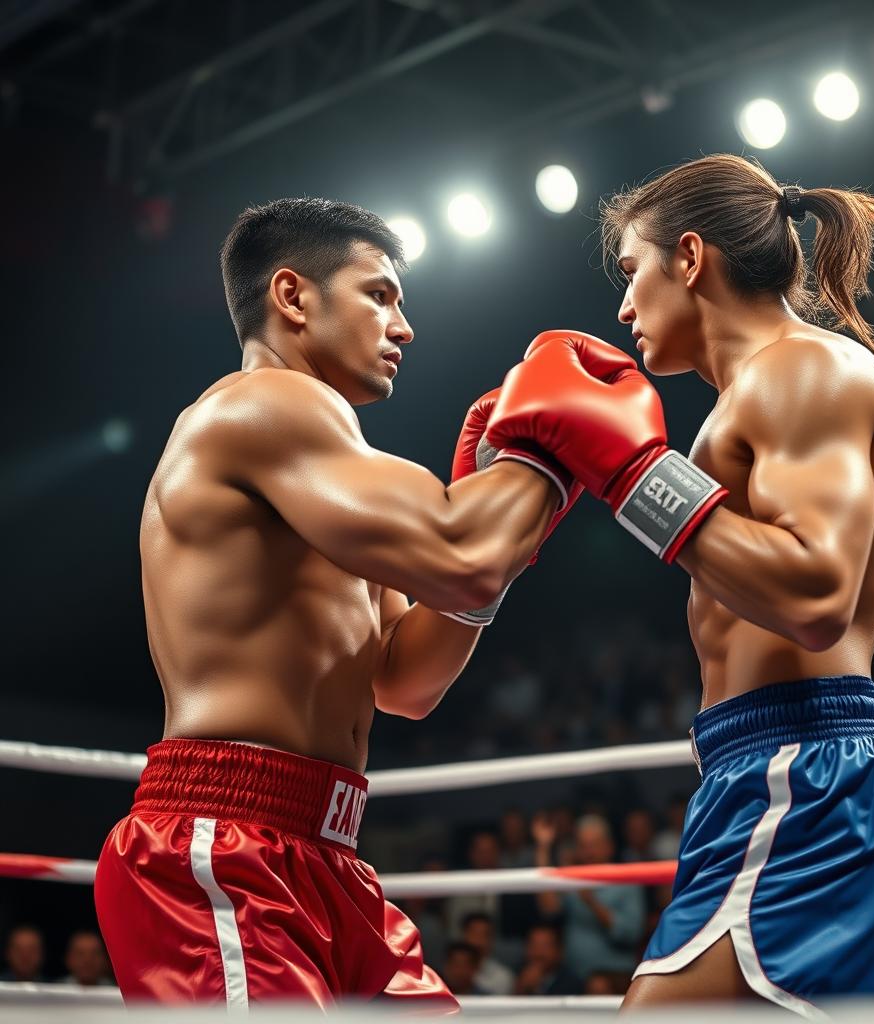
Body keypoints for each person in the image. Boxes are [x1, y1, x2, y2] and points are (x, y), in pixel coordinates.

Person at [93, 198, 576, 1008]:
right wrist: (547, 460)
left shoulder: (329, 473)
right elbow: (462, 554)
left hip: (326, 849)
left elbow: (405, 681)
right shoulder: (264, 406)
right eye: (380, 294)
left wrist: (514, 521)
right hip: (224, 841)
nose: (406, 326)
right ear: (293, 296)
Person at [483, 154, 874, 1012]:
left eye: (631, 270)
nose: (621, 308)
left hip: (804, 771)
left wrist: (627, 473)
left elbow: (814, 596)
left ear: (689, 259)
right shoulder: (754, 397)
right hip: (762, 772)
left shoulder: (804, 371)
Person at [534, 814, 644, 980]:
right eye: (583, 846)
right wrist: (543, 846)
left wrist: (592, 902)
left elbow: (630, 934)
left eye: (593, 845)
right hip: (574, 978)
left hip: (614, 978)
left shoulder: (627, 881)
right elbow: (549, 908)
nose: (588, 852)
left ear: (609, 846)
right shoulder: (575, 879)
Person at [515, 924, 581, 996]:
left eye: (545, 946)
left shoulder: (572, 983)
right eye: (533, 945)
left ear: (559, 951)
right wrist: (522, 989)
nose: (538, 952)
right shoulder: (516, 975)